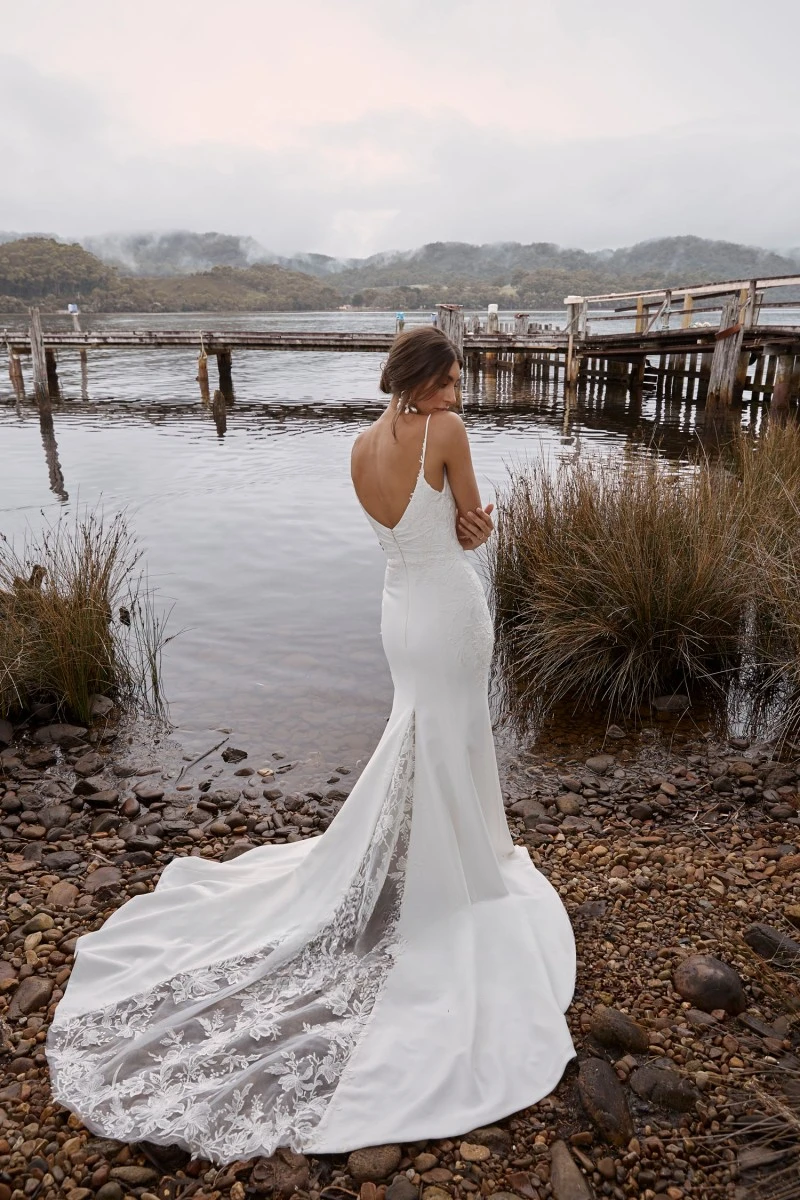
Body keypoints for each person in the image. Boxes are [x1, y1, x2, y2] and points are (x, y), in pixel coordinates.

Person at [45, 327, 577, 1164]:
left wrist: (452, 526)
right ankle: (457, 866)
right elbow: (471, 530)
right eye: (452, 374)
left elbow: (400, 529)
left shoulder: (360, 444)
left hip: (397, 609)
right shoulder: (447, 433)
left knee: (422, 730)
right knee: (448, 731)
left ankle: (429, 849)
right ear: (424, 379)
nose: (460, 386)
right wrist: (478, 527)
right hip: (445, 606)